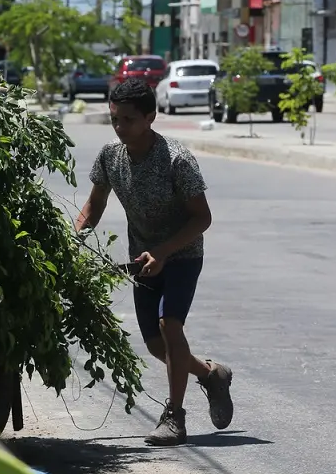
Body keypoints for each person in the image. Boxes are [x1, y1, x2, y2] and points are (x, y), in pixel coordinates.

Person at [74, 79, 233, 446]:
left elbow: (202, 218)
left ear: (150, 117)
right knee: (155, 346)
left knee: (169, 326)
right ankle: (211, 374)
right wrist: (74, 237)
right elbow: (94, 205)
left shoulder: (176, 159)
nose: (120, 127)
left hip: (182, 254)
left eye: (128, 120)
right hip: (141, 258)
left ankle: (174, 418)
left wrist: (163, 252)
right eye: (115, 119)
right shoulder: (110, 156)